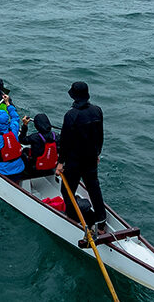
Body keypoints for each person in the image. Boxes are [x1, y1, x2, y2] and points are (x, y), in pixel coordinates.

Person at [57, 81, 107, 234]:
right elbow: (100, 136)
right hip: (91, 158)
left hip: (74, 161)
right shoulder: (97, 111)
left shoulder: (71, 115)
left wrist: (60, 162)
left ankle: (73, 217)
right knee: (94, 188)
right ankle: (101, 223)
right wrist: (97, 153)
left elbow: (64, 141)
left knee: (67, 190)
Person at [18, 114, 58, 178]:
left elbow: (22, 140)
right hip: (51, 166)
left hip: (36, 167)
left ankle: (25, 173)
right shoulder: (56, 136)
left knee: (24, 151)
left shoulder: (35, 137)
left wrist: (25, 126)